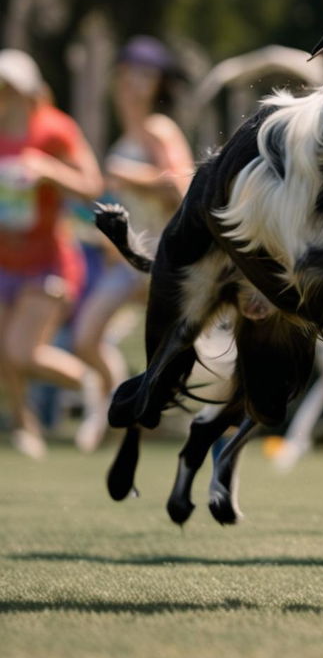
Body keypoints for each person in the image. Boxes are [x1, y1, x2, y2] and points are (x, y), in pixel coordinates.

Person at [72, 36, 192, 452]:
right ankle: (114, 404)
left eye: (145, 75)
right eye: (127, 73)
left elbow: (180, 186)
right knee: (86, 339)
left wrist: (126, 173)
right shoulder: (127, 135)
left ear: (159, 84)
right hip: (127, 263)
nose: (133, 83)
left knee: (191, 354)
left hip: (160, 259)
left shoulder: (159, 130)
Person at [0, 49, 104, 458]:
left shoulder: (55, 130)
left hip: (49, 261)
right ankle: (25, 425)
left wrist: (48, 170)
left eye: (9, 88)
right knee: (4, 353)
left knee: (21, 352)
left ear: (29, 92)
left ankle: (90, 384)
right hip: (4, 260)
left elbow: (92, 185)